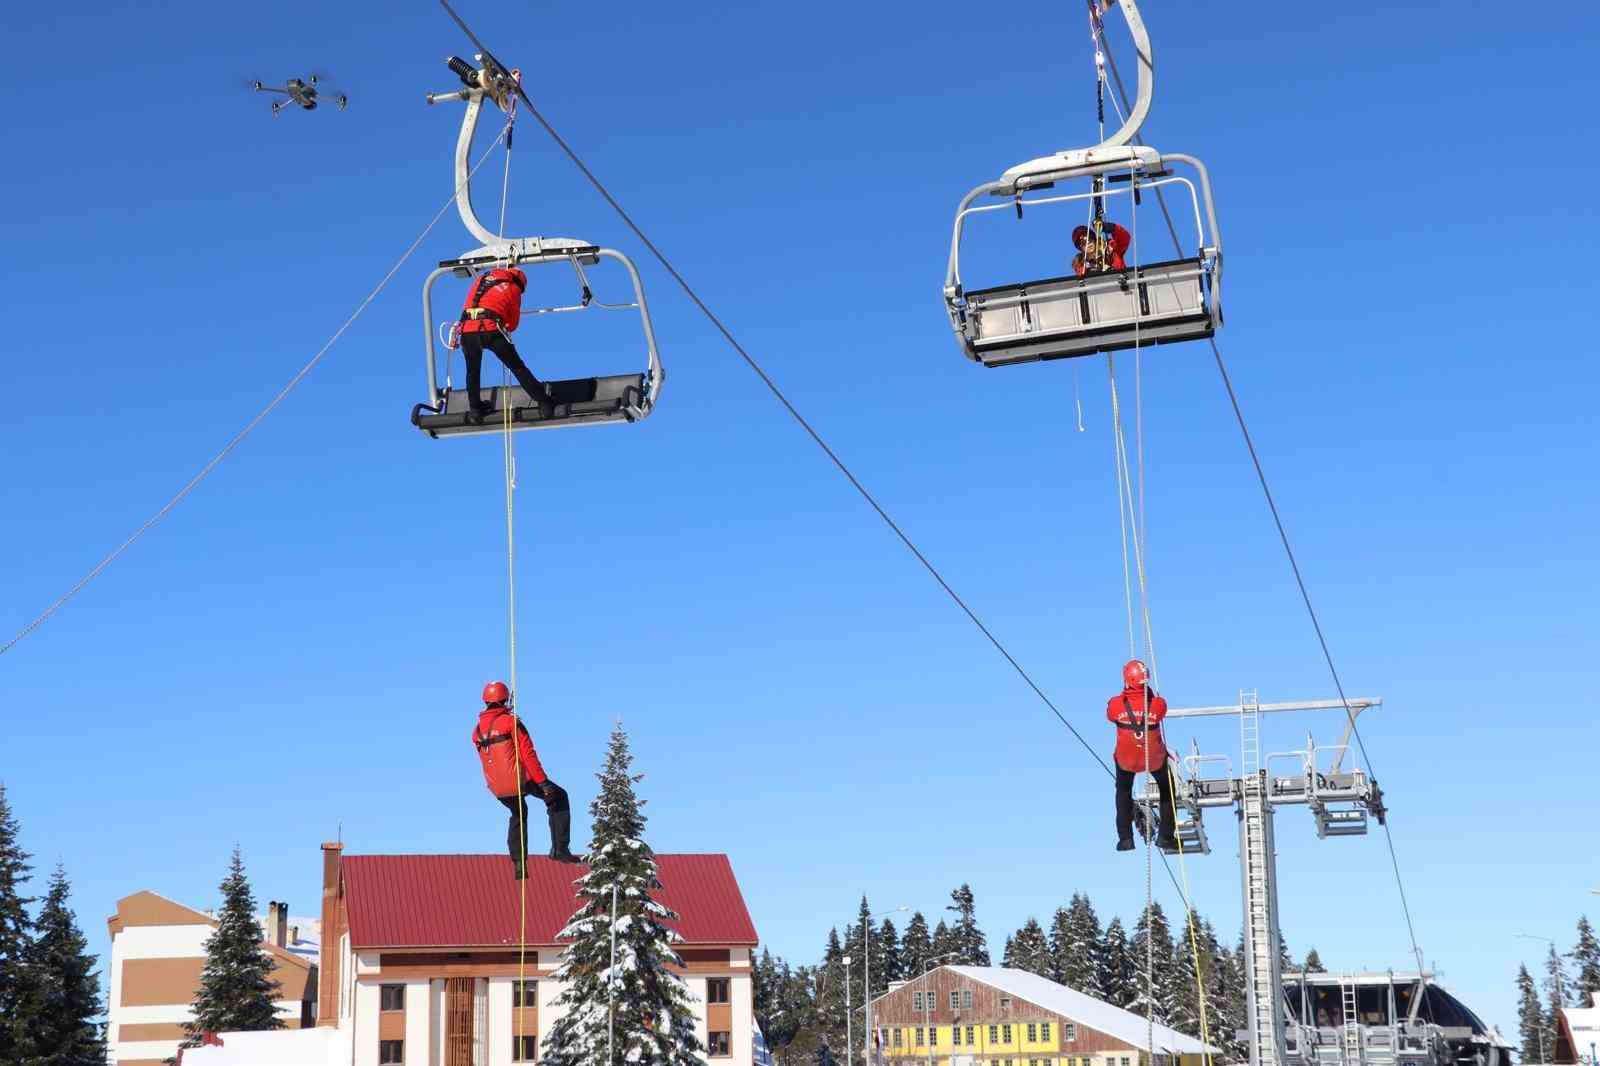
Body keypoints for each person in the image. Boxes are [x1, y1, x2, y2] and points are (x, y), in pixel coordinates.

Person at [471, 681, 579, 876]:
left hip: (497, 788)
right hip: (521, 780)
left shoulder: (476, 731)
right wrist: (543, 782)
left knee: (519, 812)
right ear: (505, 699)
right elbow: (528, 754)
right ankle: (560, 849)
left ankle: (519, 864)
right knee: (559, 797)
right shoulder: (511, 723)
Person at [458, 267, 555, 421]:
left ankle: (475, 410)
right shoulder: (513, 287)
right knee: (517, 367)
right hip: (490, 330)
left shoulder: (479, 281)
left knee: (472, 371)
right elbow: (513, 324)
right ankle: (544, 403)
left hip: (467, 330)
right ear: (520, 283)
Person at [1106, 658, 1177, 852]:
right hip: (1153, 759)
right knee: (1167, 790)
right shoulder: (1158, 705)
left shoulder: (1115, 704)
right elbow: (1159, 707)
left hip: (1126, 760)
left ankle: (1125, 839)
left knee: (1123, 792)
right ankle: (1165, 836)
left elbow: (1110, 714)